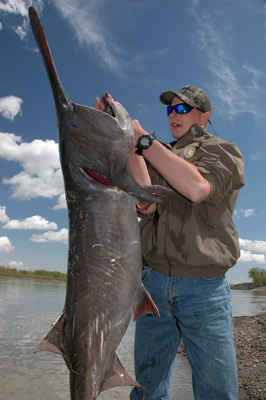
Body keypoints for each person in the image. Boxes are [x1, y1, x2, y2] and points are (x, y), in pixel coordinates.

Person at [127, 85, 245, 400]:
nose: (172, 115)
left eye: (182, 109)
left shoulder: (223, 150)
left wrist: (144, 142)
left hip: (203, 288)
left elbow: (197, 188)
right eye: (170, 109)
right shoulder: (160, 153)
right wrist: (129, 145)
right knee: (146, 391)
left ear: (204, 116)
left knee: (216, 392)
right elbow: (145, 201)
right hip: (152, 284)